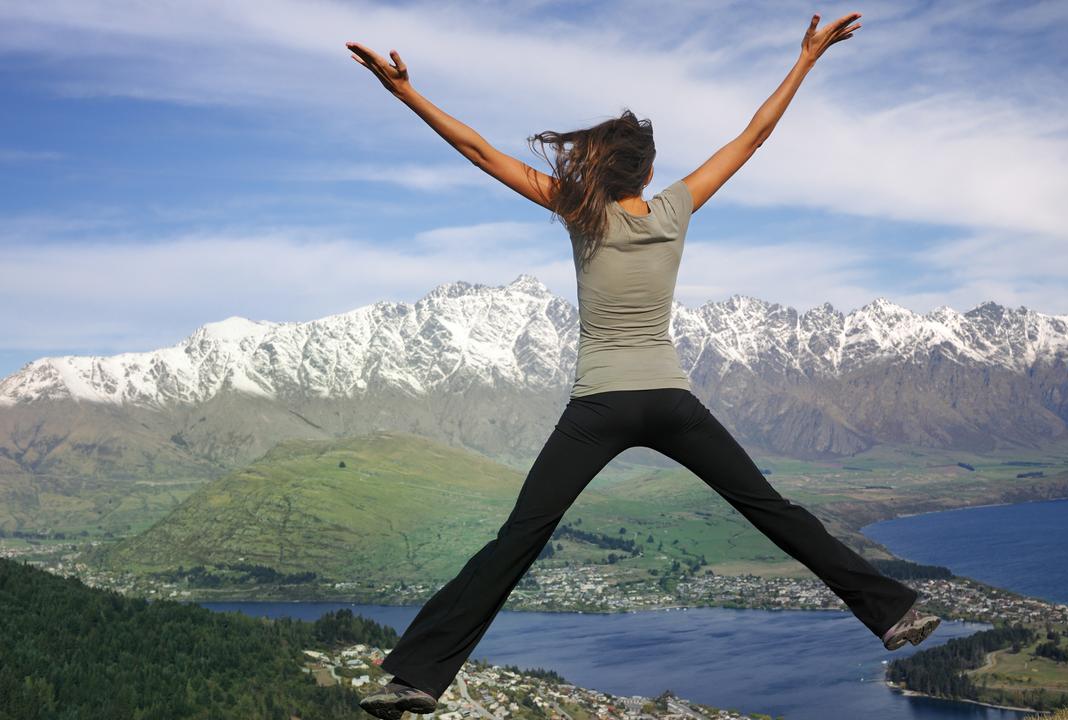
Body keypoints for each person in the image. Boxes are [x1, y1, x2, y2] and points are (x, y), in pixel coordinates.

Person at [345, 10, 938, 718]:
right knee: (770, 509)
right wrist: (807, 58)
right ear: (649, 173)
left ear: (598, 166)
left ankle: (415, 676)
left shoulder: (577, 210)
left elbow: (478, 153)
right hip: (670, 400)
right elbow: (755, 134)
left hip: (598, 405)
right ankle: (892, 613)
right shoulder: (675, 208)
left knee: (519, 539)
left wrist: (405, 94)